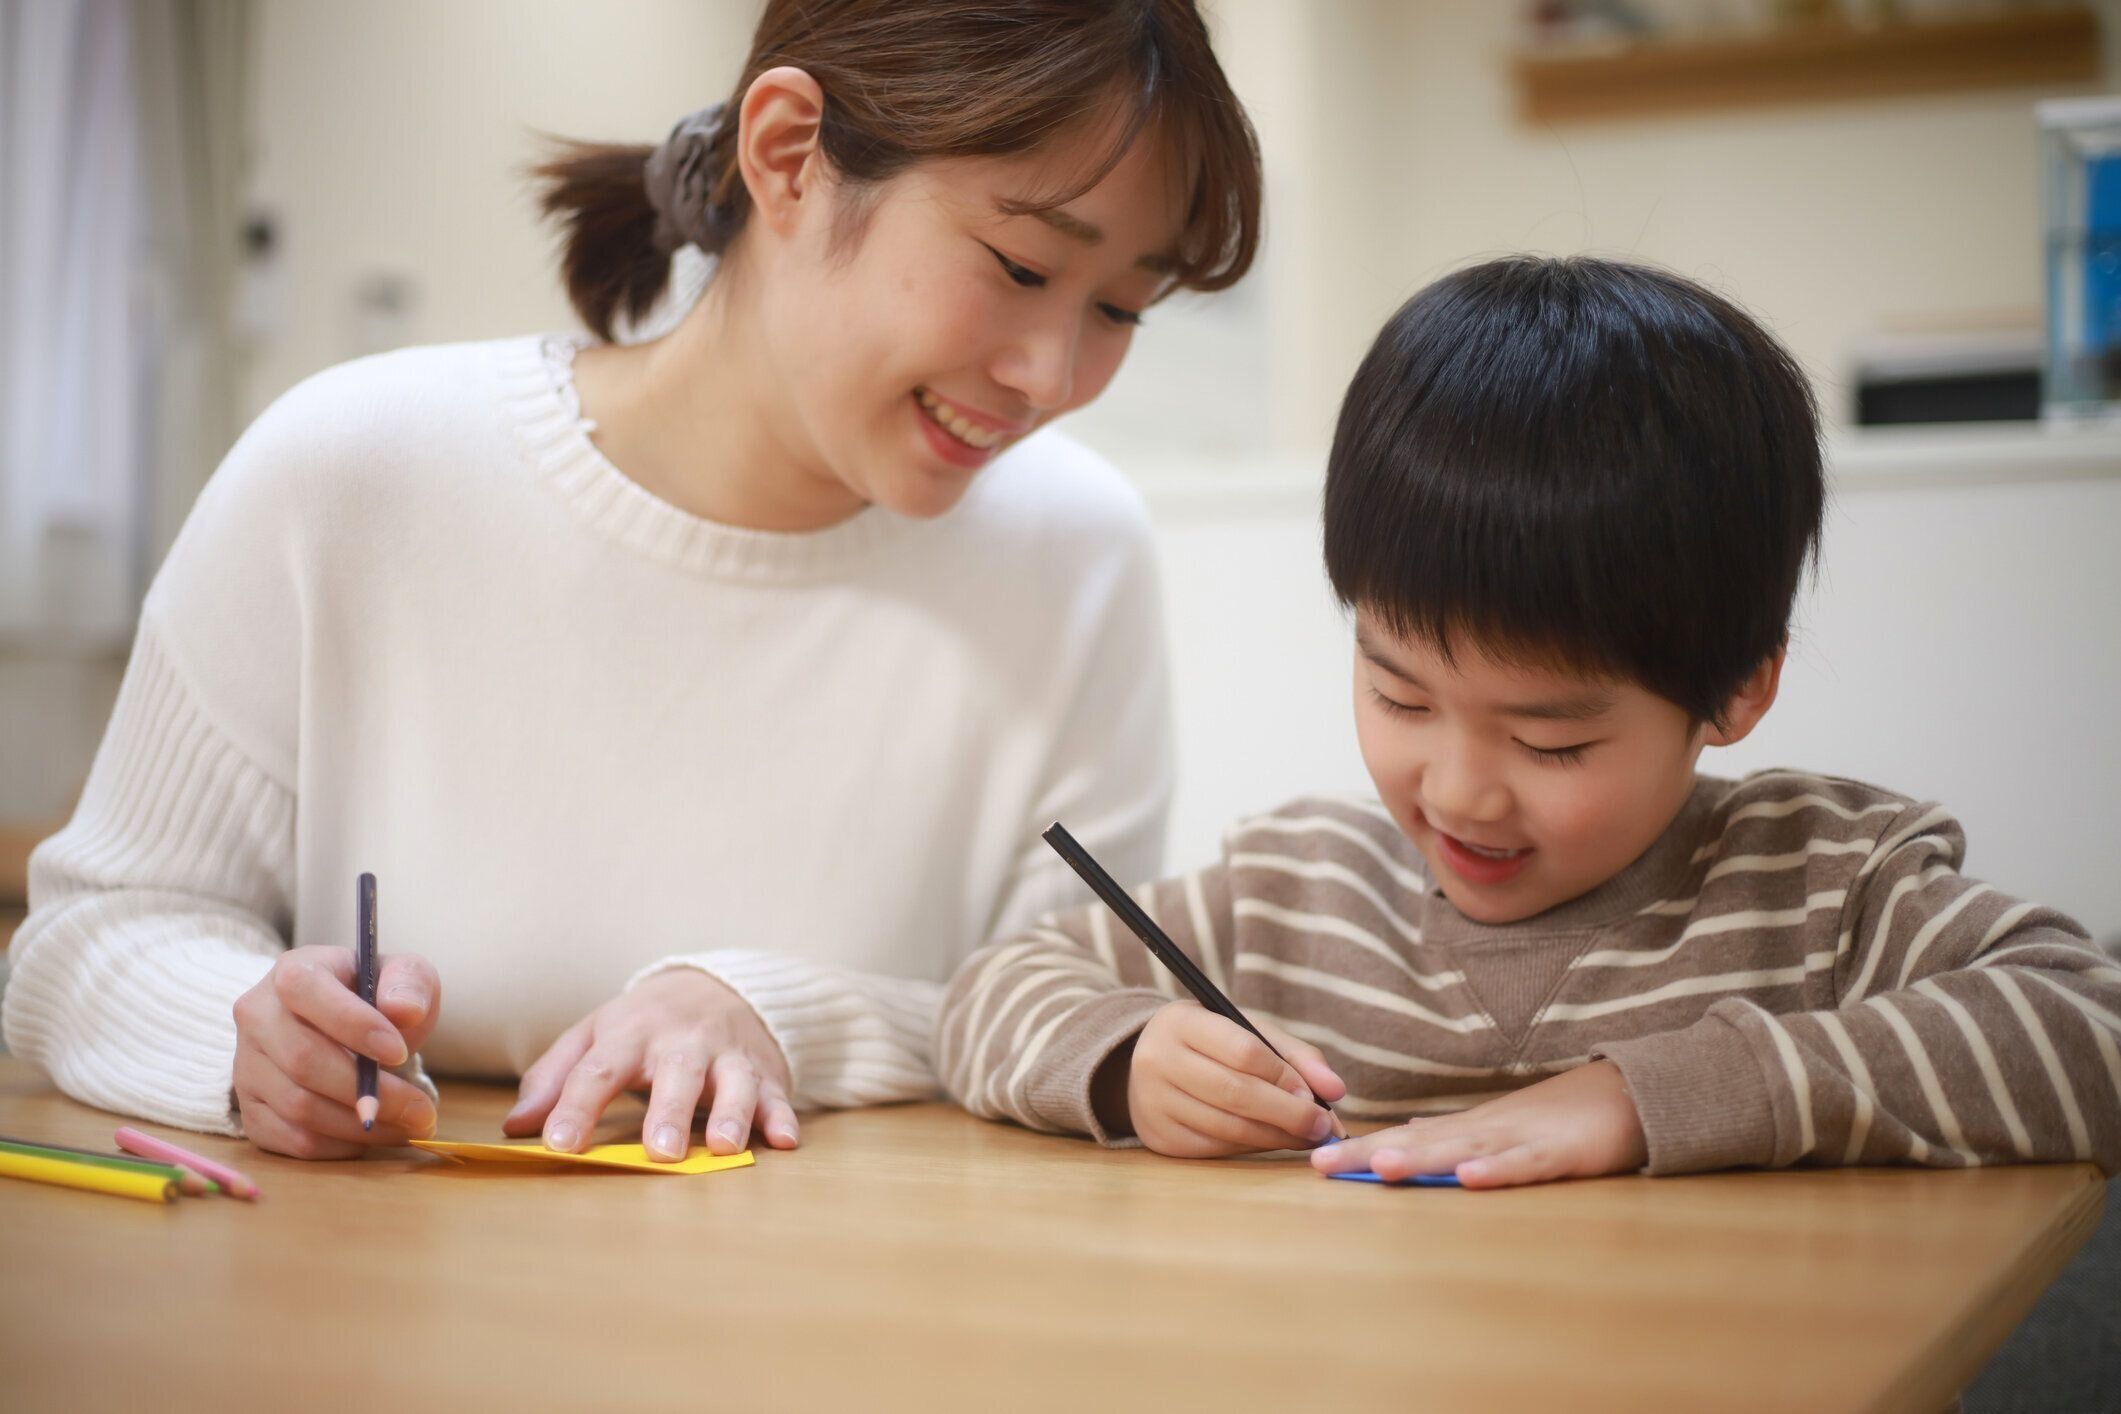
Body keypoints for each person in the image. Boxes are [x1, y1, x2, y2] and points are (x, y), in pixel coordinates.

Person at [2, 0, 1263, 1163]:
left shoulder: (1076, 555)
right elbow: (86, 938)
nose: (1052, 376)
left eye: (1122, 311)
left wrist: (768, 1010)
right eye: (1026, 268)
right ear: (787, 155)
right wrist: (237, 1036)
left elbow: (1073, 1008)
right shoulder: (355, 473)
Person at [937, 256, 2120, 1187]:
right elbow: (986, 994)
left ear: (1737, 690)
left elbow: (2091, 1029)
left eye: (1553, 741)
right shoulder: (1297, 892)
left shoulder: (1818, 893)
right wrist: (1128, 1060)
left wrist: (1651, 1097)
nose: (1458, 791)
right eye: (1399, 695)